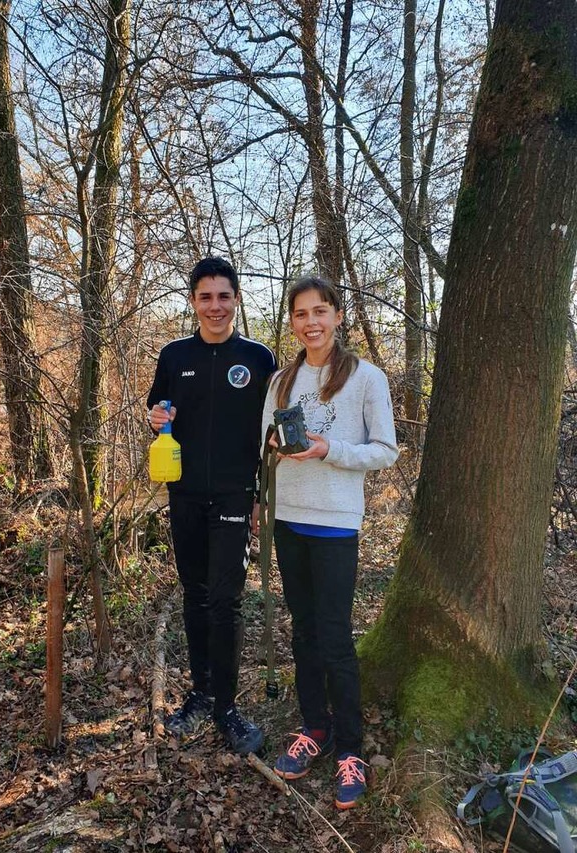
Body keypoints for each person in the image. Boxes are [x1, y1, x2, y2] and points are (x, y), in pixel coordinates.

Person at [262, 275, 398, 809]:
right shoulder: (280, 381)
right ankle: (314, 729)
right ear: (292, 322)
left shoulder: (367, 378)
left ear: (338, 316)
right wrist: (276, 446)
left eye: (321, 311)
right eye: (301, 313)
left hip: (337, 523)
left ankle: (351, 751)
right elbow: (264, 449)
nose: (311, 322)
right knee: (303, 632)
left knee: (336, 637)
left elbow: (385, 450)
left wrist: (328, 450)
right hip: (288, 520)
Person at [147, 257, 276, 755]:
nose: (215, 306)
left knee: (226, 600)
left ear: (237, 299)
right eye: (206, 297)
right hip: (183, 496)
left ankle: (227, 707)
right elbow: (159, 414)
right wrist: (155, 415)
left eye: (224, 296)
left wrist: (262, 495)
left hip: (233, 497)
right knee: (194, 595)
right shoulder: (174, 355)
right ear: (193, 301)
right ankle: (199, 695)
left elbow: (270, 436)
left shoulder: (259, 359)